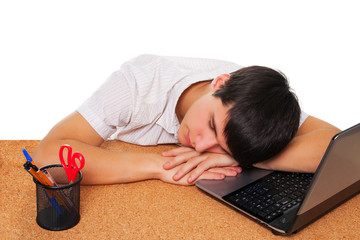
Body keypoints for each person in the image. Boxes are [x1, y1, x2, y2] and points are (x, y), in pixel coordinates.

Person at [32, 54, 340, 186]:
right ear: (218, 83)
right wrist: (161, 167)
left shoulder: (255, 106)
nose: (203, 145)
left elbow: (346, 149)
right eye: (211, 126)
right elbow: (48, 156)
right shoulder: (135, 85)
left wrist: (250, 155)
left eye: (222, 147)